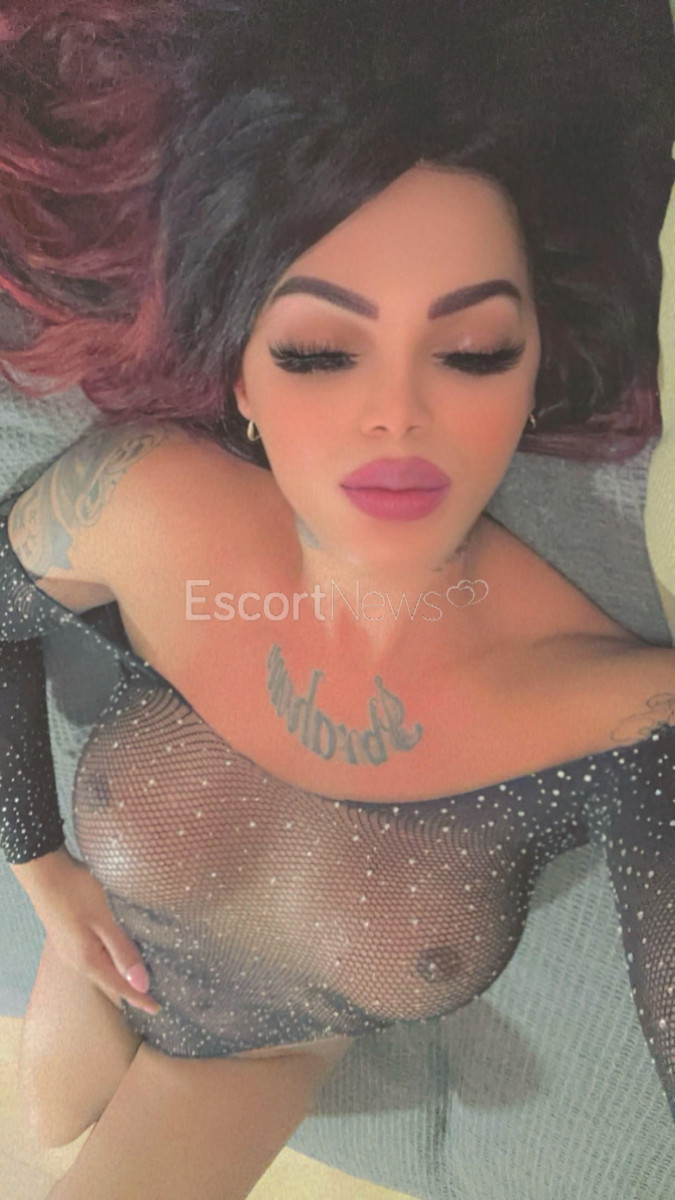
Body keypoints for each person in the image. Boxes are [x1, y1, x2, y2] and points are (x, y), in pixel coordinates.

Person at [0, 6, 674, 1199]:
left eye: (473, 351)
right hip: (104, 934)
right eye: (318, 351)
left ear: (536, 373)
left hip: (267, 1047)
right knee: (43, 1118)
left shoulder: (624, 714)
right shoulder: (142, 501)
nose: (397, 414)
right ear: (241, 378)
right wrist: (38, 861)